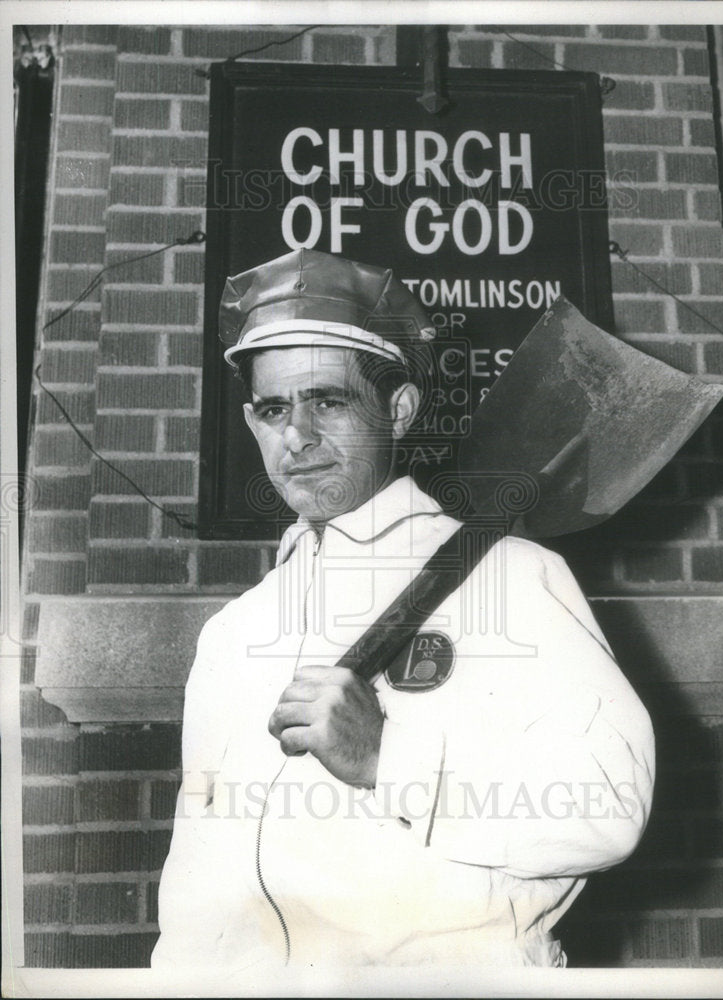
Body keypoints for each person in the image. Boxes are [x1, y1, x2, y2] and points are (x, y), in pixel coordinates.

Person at [151, 248, 655, 980]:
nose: (297, 435)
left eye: (327, 400)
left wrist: (390, 761)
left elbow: (611, 802)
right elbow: (196, 883)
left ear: (399, 407)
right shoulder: (233, 633)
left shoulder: (511, 580)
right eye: (273, 409)